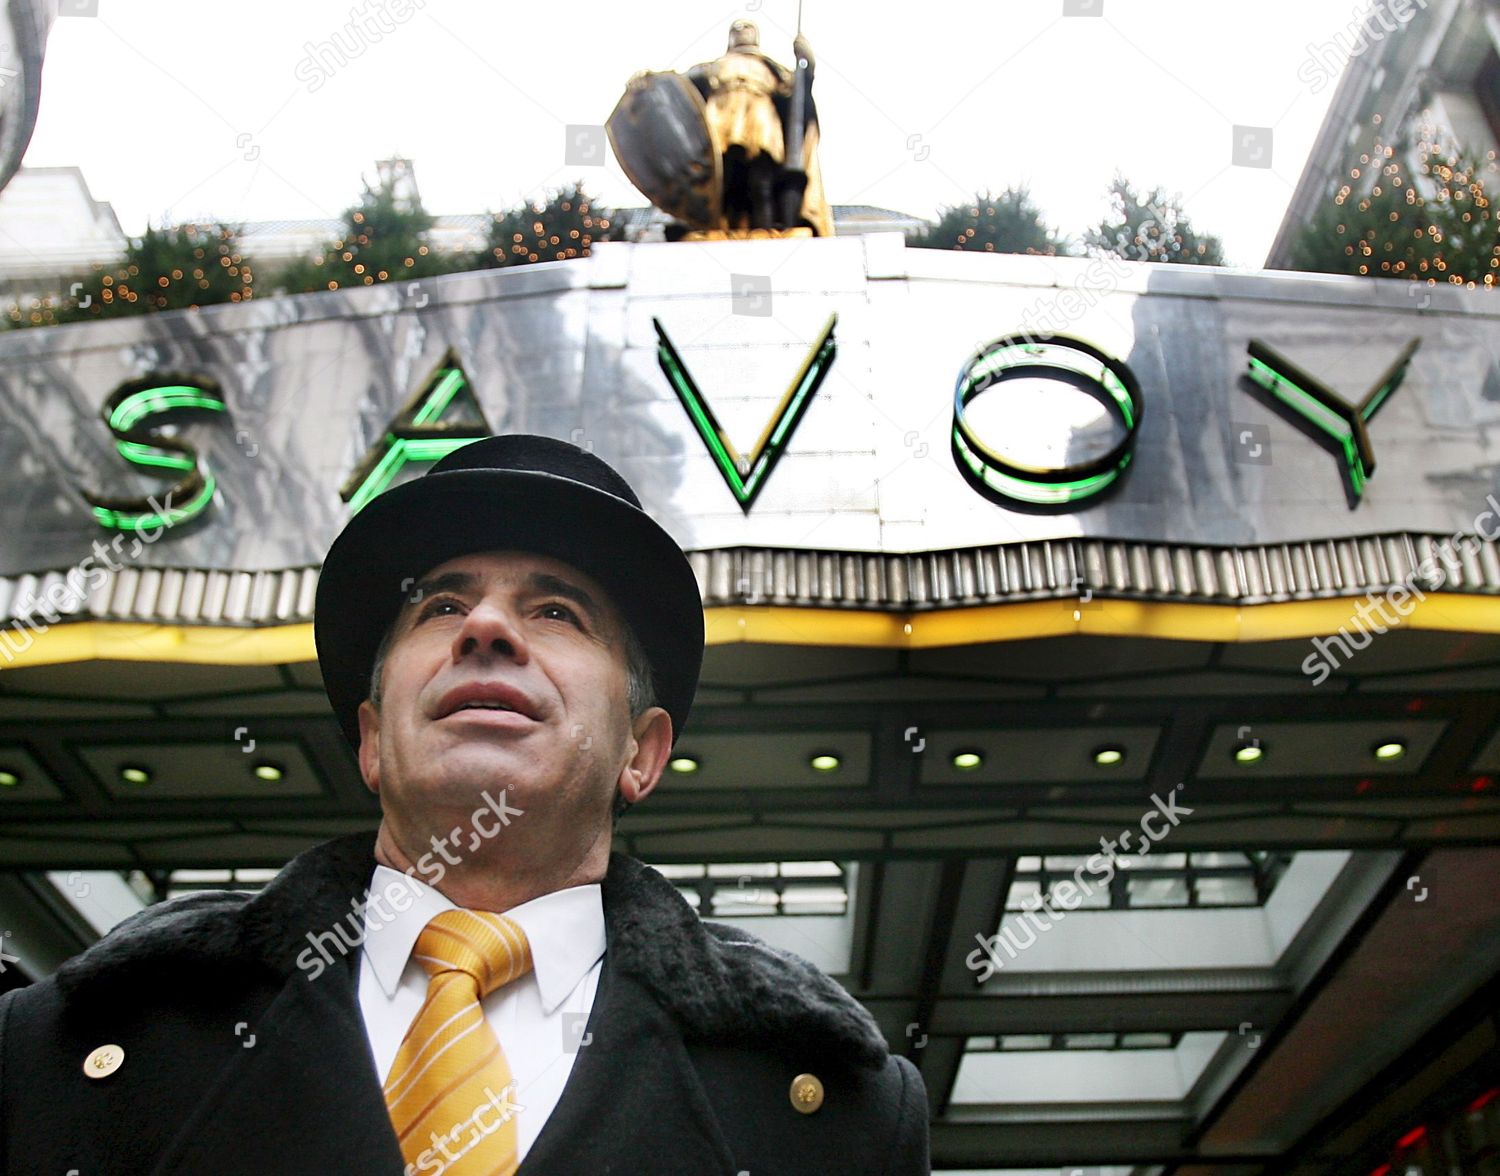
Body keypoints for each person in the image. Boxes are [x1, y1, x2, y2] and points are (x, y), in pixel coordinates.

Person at [0, 434, 930, 1175]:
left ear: (642, 754)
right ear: (371, 739)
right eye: (440, 607)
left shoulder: (837, 1113)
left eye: (558, 612)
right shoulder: (65, 1046)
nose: (486, 627)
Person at [686, 20, 836, 237]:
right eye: (736, 29)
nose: (741, 31)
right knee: (721, 175)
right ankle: (714, 225)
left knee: (761, 177)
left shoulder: (771, 67)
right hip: (720, 119)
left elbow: (796, 92)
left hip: (760, 120)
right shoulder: (713, 67)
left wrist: (807, 63)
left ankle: (764, 229)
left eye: (747, 28)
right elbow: (681, 88)